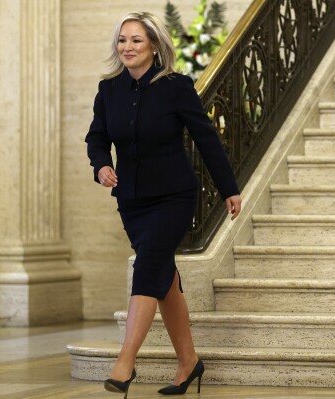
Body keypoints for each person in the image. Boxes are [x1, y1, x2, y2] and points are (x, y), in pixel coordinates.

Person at [85, 11, 242, 398]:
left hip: (173, 196)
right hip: (132, 201)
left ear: (154, 46)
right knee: (163, 278)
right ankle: (189, 362)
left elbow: (206, 138)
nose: (127, 47)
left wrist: (228, 188)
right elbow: (97, 138)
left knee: (148, 267)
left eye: (136, 40)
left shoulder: (176, 87)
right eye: (123, 40)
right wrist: (102, 165)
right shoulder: (109, 91)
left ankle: (125, 364)